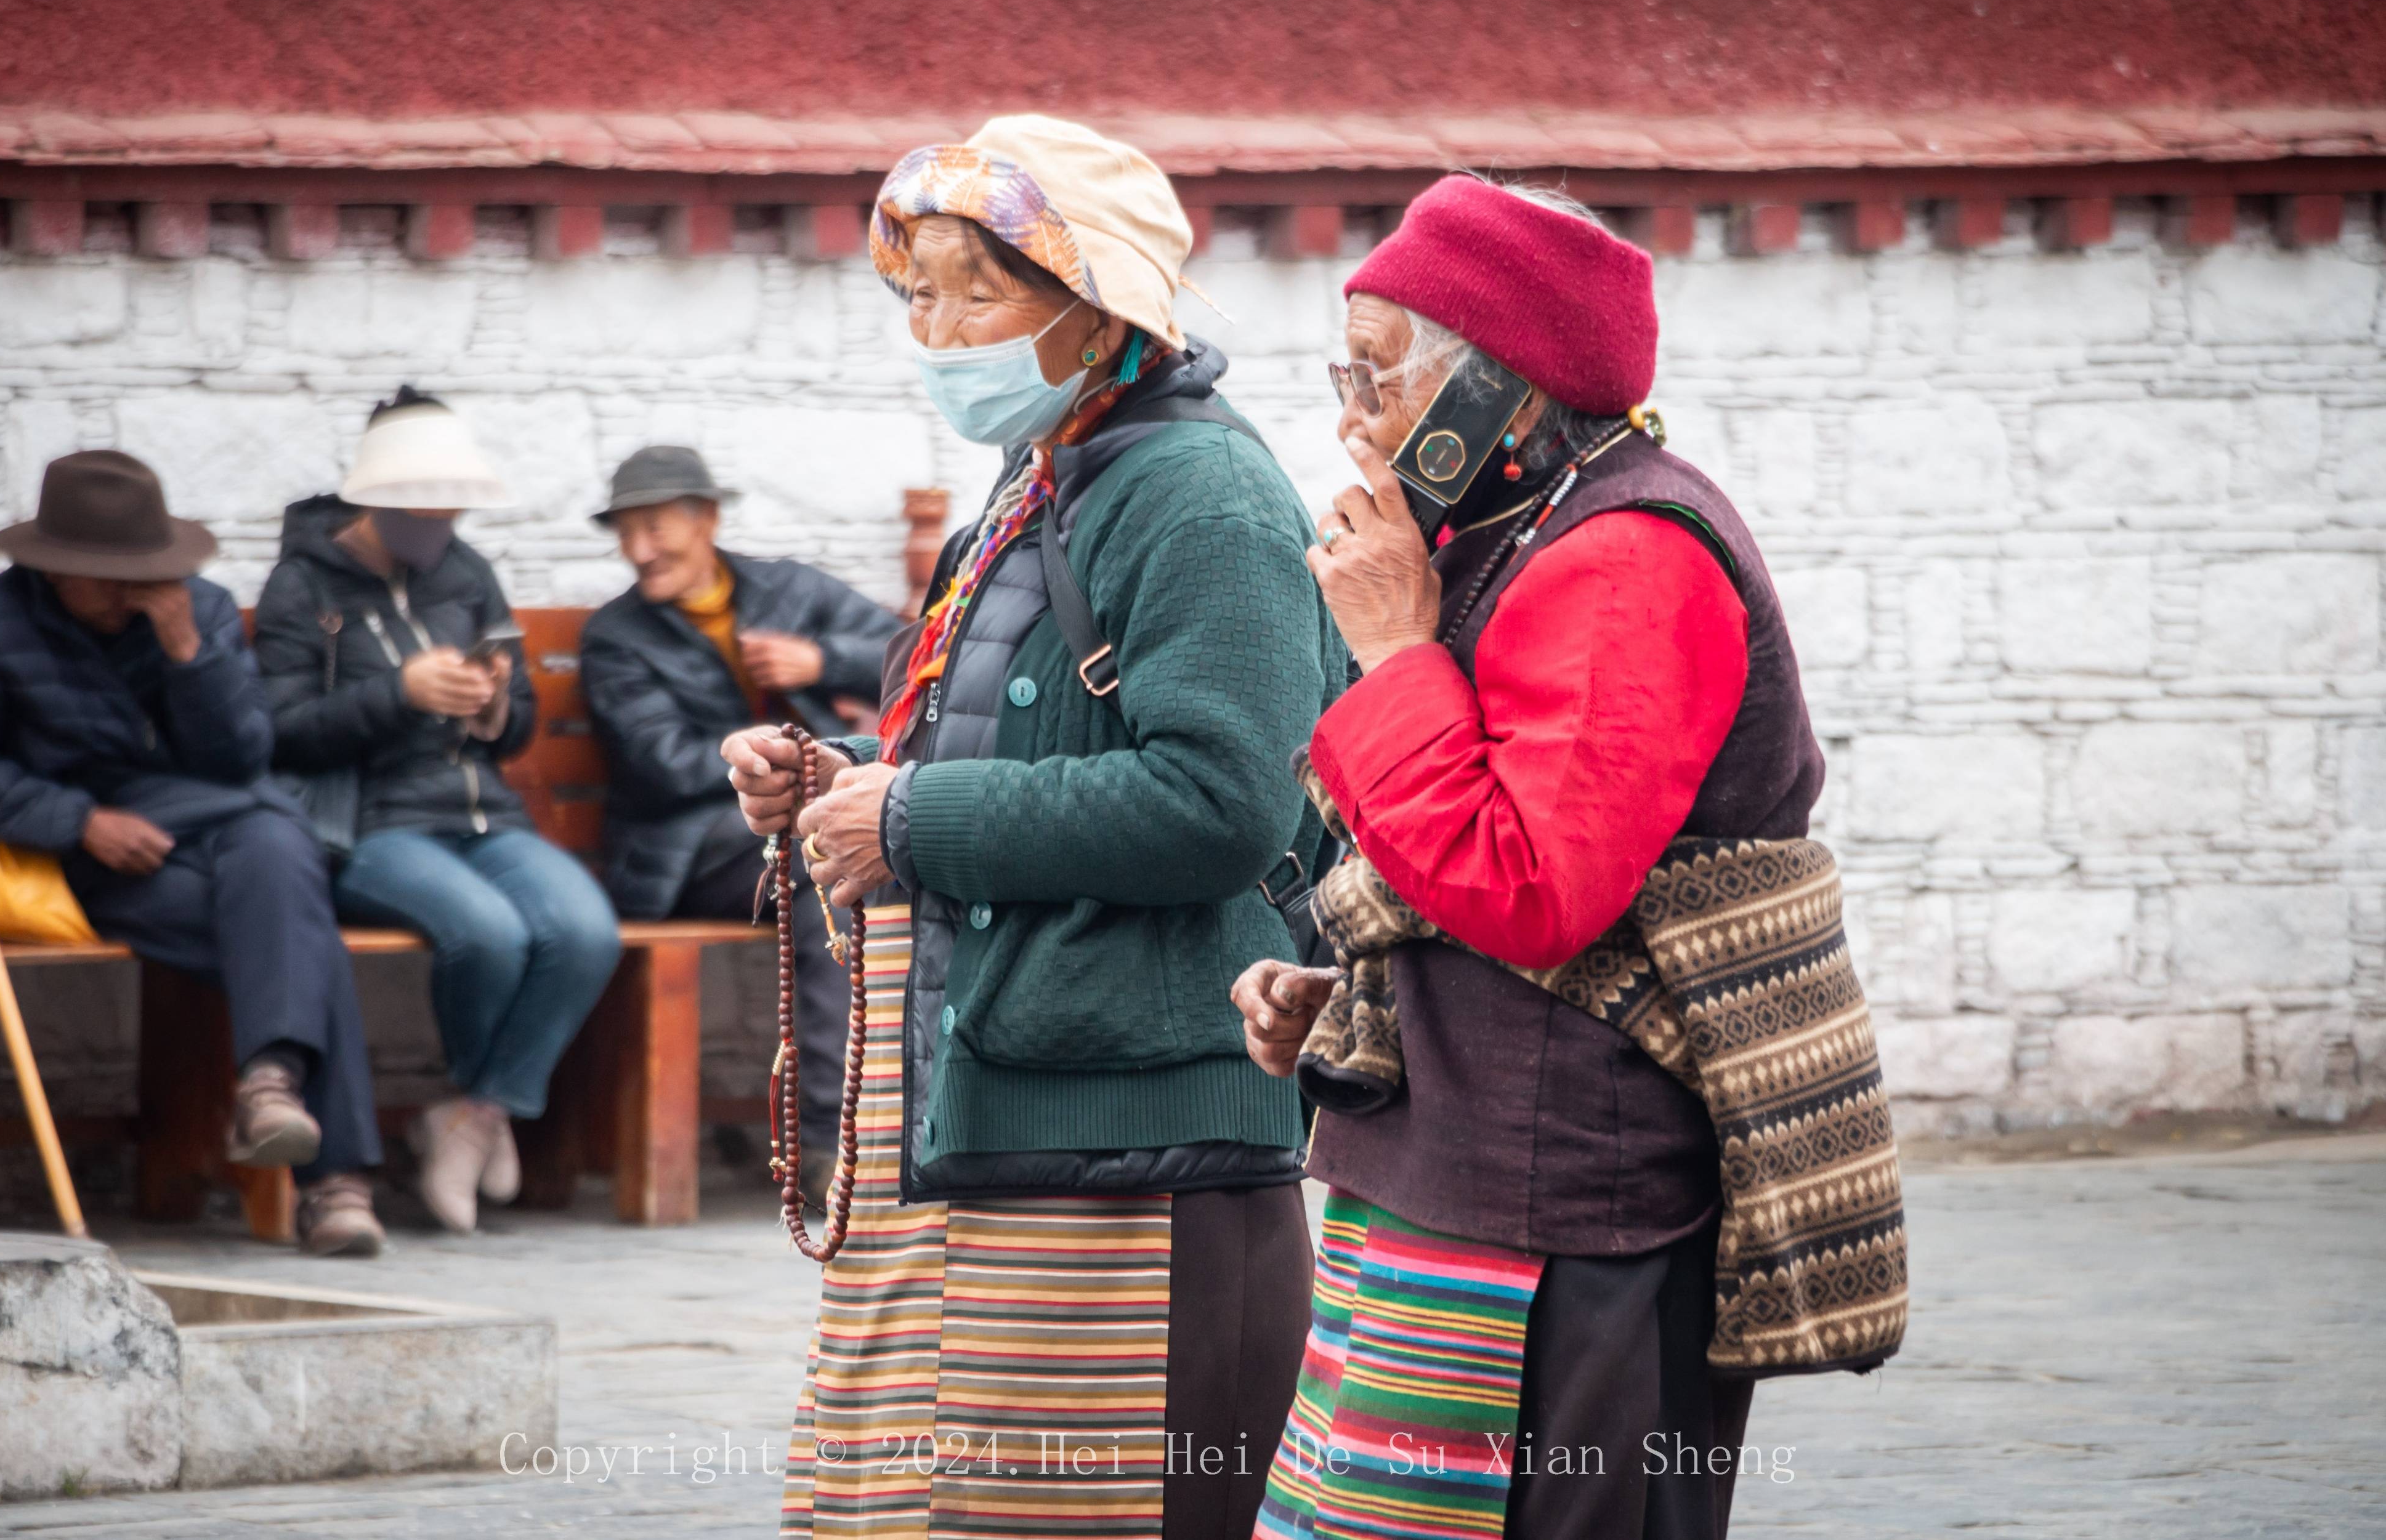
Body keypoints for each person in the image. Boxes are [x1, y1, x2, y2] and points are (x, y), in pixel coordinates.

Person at [1230, 176, 1883, 1540]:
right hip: (1453, 1158)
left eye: (1375, 377)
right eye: (1337, 374)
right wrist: (1344, 970)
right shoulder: (1511, 533)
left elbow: (1533, 892)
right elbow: (1457, 837)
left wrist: (1398, 651)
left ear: (1498, 391)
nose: (1348, 419)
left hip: (1566, 1204)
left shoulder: (1630, 555)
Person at [724, 115, 1348, 1539]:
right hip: (991, 1112)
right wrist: (833, 791)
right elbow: (1018, 746)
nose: (936, 328)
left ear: (1098, 304)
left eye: (976, 293)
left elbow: (1223, 797)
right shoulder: (1046, 476)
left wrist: (918, 816)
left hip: (1144, 1147)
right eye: (918, 294)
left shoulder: (1200, 495)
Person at [0, 450, 385, 1254]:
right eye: (105, 576)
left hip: (220, 812)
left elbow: (243, 757)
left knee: (275, 841)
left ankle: (271, 1081)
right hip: (85, 851)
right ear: (53, 567)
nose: (126, 592)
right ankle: (334, 1184)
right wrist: (81, 821)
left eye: (138, 572)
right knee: (302, 932)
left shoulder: (198, 610)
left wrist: (190, 653)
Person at [256, 387, 621, 1235]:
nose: (439, 520)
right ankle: (474, 1115)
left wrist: (493, 706)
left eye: (450, 504)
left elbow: (520, 713)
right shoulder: (303, 583)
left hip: (483, 813)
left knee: (583, 930)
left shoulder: (467, 569)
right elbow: (280, 732)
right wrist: (400, 693)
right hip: (372, 824)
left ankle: (474, 1112)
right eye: (420, 504)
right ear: (373, 498)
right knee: (488, 934)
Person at [578, 444, 899, 1201]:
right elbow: (659, 765)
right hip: (682, 853)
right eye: (625, 533)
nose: (639, 551)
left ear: (708, 519)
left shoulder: (788, 589)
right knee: (827, 863)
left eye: (655, 527)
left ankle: (876, 1129)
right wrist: (775, 763)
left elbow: (912, 652)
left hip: (793, 828)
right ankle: (830, 1143)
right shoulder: (615, 636)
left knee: (856, 859)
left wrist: (818, 664)